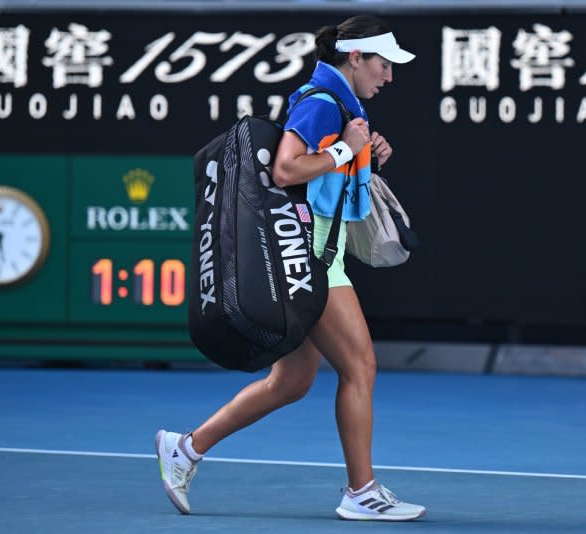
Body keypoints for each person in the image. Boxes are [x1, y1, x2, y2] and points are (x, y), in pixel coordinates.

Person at [156, 15, 425, 521]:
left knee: (292, 382)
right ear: (355, 58)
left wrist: (367, 155)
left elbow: (322, 177)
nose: (388, 76)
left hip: (312, 250)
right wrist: (348, 147)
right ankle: (361, 492)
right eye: (383, 65)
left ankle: (184, 449)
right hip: (312, 256)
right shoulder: (323, 103)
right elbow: (287, 168)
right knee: (360, 366)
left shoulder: (340, 105)